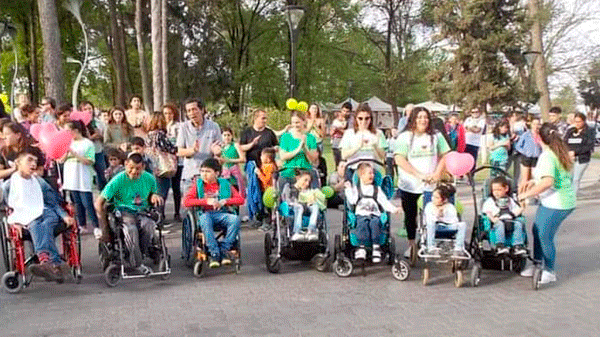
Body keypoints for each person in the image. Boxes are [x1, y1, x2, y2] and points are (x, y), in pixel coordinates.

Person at [1, 147, 76, 282]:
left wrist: (64, 215)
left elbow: (53, 203)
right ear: (18, 162)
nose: (33, 164)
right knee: (35, 223)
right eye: (29, 160)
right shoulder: (9, 184)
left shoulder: (39, 181)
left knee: (46, 223)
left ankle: (45, 259)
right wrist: (15, 222)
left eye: (35, 161)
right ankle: (53, 263)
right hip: (28, 215)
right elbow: (11, 207)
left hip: (47, 211)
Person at [518, 123, 575, 285]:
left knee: (545, 235)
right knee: (537, 230)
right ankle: (537, 264)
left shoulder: (548, 156)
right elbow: (547, 177)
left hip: (559, 203)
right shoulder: (552, 153)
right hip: (550, 201)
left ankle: (549, 270)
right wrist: (532, 181)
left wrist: (525, 195)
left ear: (538, 138)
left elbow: (548, 182)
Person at [394, 106, 450, 258]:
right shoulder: (405, 136)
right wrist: (418, 174)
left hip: (430, 184)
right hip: (410, 183)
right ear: (412, 119)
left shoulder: (436, 136)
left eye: (425, 117)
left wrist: (438, 173)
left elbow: (445, 155)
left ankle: (429, 242)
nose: (423, 120)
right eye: (419, 117)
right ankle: (412, 245)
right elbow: (399, 159)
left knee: (431, 215)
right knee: (410, 217)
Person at [95, 153, 164, 270]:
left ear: (142, 167)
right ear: (126, 164)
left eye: (137, 169)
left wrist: (154, 196)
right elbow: (99, 202)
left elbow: (154, 193)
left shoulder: (149, 178)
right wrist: (104, 227)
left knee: (149, 225)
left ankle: (140, 254)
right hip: (124, 212)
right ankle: (136, 263)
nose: (133, 171)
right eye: (131, 168)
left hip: (142, 211)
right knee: (131, 230)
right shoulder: (118, 180)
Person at [183, 158, 244, 268]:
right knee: (205, 219)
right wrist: (205, 201)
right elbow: (186, 202)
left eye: (207, 171)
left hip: (222, 214)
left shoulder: (225, 184)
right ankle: (214, 252)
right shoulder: (198, 185)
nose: (204, 174)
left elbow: (240, 200)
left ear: (217, 173)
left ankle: (224, 249)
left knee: (235, 219)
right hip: (205, 214)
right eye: (202, 171)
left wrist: (225, 201)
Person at [344, 163, 400, 262]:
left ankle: (376, 248)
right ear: (361, 175)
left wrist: (393, 209)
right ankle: (361, 247)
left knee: (375, 224)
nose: (372, 175)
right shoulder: (357, 189)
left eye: (373, 173)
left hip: (374, 214)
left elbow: (384, 202)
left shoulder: (377, 190)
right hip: (361, 214)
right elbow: (352, 200)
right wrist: (348, 189)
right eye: (369, 173)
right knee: (362, 224)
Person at [61, 120, 100, 238]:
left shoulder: (87, 143)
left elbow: (89, 161)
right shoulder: (67, 143)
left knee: (87, 202)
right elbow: (60, 160)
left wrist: (75, 154)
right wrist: (67, 153)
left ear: (75, 131)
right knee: (77, 203)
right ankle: (82, 225)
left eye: (68, 131)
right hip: (71, 177)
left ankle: (96, 226)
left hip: (83, 176)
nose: (66, 133)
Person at [176, 98, 222, 196]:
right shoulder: (184, 127)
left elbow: (219, 150)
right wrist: (192, 150)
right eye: (188, 111)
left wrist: (217, 151)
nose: (192, 113)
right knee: (187, 208)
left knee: (209, 207)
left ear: (202, 110)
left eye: (194, 109)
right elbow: (179, 151)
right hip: (190, 175)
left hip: (209, 176)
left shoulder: (214, 126)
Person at [339, 103, 387, 180]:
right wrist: (357, 147)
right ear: (356, 119)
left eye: (367, 118)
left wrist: (375, 145)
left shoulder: (378, 133)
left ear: (371, 119)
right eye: (360, 118)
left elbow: (383, 156)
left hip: (373, 171)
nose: (364, 121)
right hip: (354, 170)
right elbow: (344, 155)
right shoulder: (349, 133)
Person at [482, 176, 526, 255]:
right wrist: (493, 219)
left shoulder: (510, 200)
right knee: (500, 224)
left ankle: (517, 245)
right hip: (497, 221)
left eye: (499, 190)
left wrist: (522, 208)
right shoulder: (490, 201)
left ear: (506, 189)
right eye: (494, 190)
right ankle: (500, 245)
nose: (496, 192)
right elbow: (488, 212)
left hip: (510, 220)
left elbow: (515, 210)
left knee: (518, 224)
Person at [422, 183, 467, 257]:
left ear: (444, 199)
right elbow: (428, 219)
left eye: (437, 197)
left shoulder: (450, 207)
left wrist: (443, 214)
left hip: (448, 227)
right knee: (430, 222)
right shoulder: (429, 206)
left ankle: (458, 248)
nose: (433, 199)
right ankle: (431, 247)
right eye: (433, 196)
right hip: (434, 227)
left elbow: (454, 220)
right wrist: (437, 215)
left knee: (462, 224)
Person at [146, 112, 178, 210]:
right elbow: (170, 148)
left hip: (151, 165)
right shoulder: (160, 134)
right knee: (162, 192)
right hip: (162, 167)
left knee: (154, 191)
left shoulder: (149, 135)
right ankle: (159, 215)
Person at [283, 170, 326, 242]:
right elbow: (286, 199)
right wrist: (295, 203)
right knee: (299, 207)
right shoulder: (289, 187)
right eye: (305, 180)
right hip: (293, 207)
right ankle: (297, 231)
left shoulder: (309, 191)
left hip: (307, 208)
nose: (307, 183)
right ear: (298, 178)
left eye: (309, 182)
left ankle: (311, 229)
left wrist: (313, 201)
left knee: (315, 206)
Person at [278, 111, 319, 186]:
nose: (295, 125)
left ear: (304, 122)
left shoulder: (310, 137)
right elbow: (283, 156)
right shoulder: (286, 137)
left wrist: (305, 148)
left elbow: (313, 159)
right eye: (293, 123)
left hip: (305, 172)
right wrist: (298, 149)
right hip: (289, 171)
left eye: (297, 122)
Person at [564, 112, 595, 197]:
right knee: (568, 178)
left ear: (584, 121)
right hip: (570, 158)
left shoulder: (589, 132)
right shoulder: (570, 131)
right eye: (576, 121)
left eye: (579, 122)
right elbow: (565, 142)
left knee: (576, 179)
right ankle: (566, 195)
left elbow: (589, 146)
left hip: (582, 159)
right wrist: (568, 152)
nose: (577, 124)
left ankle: (571, 198)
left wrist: (575, 152)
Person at [79, 101, 107, 190]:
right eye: (85, 109)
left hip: (98, 150)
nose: (88, 111)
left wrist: (100, 136)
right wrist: (91, 138)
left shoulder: (98, 122)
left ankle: (102, 192)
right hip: (85, 153)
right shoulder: (80, 124)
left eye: (89, 108)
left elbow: (105, 137)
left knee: (102, 173)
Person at [163, 103, 183, 221]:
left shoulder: (178, 126)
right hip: (165, 162)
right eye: (165, 113)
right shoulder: (161, 126)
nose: (168, 116)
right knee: (164, 188)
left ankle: (177, 212)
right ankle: (162, 212)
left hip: (177, 160)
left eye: (170, 113)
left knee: (176, 187)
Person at [514, 116, 542, 193]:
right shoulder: (526, 134)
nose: (536, 126)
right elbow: (518, 146)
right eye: (534, 124)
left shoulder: (541, 135)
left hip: (536, 158)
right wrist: (525, 152)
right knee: (525, 179)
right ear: (531, 125)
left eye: (538, 124)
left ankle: (532, 194)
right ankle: (521, 195)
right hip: (526, 158)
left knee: (535, 178)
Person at [216, 127, 246, 197]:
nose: (227, 137)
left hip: (234, 175)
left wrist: (229, 160)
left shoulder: (235, 145)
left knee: (236, 194)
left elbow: (243, 159)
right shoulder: (221, 148)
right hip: (225, 174)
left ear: (232, 136)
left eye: (228, 135)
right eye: (225, 135)